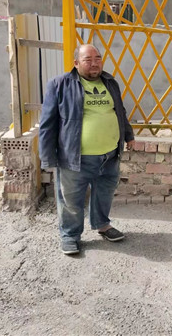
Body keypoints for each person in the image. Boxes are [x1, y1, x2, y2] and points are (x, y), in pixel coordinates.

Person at [39, 44, 135, 255]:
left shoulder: (110, 82)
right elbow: (47, 123)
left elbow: (120, 111)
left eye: (97, 58)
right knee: (71, 200)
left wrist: (129, 135)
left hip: (110, 155)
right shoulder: (60, 84)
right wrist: (47, 157)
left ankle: (102, 225)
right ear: (76, 63)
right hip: (75, 157)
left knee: (104, 193)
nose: (94, 63)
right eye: (88, 59)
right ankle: (70, 236)